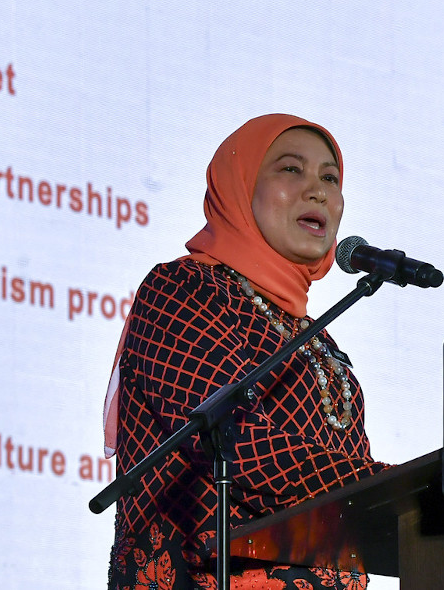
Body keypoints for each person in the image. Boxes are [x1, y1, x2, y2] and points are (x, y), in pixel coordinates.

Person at [102, 114, 389, 589]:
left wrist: (401, 498)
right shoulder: (184, 288)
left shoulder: (320, 343)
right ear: (239, 187)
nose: (318, 192)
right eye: (291, 169)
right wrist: (385, 489)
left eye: (330, 178)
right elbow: (242, 446)